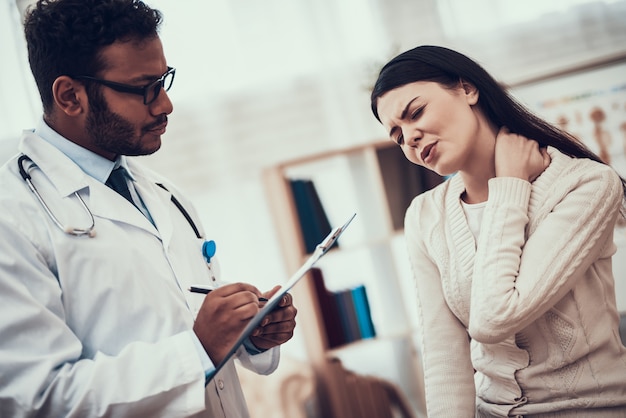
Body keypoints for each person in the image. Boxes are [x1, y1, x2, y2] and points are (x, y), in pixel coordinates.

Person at [0, 0, 297, 417]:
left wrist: (250, 335)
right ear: (70, 96)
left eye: (164, 80)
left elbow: (185, 322)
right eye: (144, 89)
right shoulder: (11, 219)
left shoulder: (163, 193)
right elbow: (39, 398)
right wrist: (197, 349)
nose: (165, 105)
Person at [370, 45, 626, 417]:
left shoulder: (586, 184)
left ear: (467, 89)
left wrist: (509, 185)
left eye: (416, 112)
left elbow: (493, 319)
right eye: (397, 135)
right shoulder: (424, 215)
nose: (409, 137)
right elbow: (445, 357)